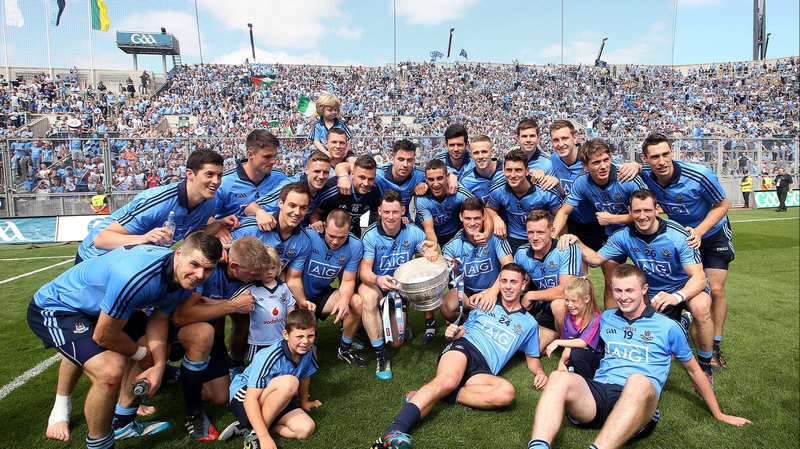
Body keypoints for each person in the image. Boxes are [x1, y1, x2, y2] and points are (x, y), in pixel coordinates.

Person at [27, 232, 223, 448]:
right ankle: (100, 444)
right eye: (194, 264)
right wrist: (142, 355)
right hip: (61, 307)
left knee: (153, 350)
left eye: (208, 269)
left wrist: (158, 365)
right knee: (110, 371)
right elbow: (104, 335)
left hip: (105, 306)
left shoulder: (184, 277)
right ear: (178, 254)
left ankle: (122, 423)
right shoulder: (138, 277)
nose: (199, 274)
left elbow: (158, 320)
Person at [526, 264, 750, 449]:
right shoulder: (606, 318)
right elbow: (582, 339)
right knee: (558, 377)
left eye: (629, 291)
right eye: (618, 291)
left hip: (639, 403)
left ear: (644, 290)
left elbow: (693, 370)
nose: (623, 297)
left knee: (639, 380)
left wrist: (719, 414)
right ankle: (538, 446)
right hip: (600, 394)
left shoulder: (667, 327)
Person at [370, 263, 548, 449]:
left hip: (484, 368)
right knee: (447, 381)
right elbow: (464, 331)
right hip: (466, 347)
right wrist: (453, 333)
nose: (508, 286)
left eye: (513, 282)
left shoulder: (529, 324)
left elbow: (532, 357)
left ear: (523, 285)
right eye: (504, 281)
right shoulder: (485, 304)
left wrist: (540, 372)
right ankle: (394, 430)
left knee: (506, 393)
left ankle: (438, 395)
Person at [560, 189, 717, 383]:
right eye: (637, 211)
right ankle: (682, 325)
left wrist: (676, 297)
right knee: (665, 354)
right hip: (654, 293)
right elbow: (595, 259)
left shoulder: (678, 235)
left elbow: (699, 278)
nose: (642, 216)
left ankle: (705, 367)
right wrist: (577, 242)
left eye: (647, 210)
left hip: (686, 287)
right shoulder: (623, 236)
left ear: (657, 209)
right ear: (630, 211)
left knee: (700, 307)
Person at [640, 133, 732, 372]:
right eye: (654, 157)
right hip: (682, 238)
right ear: (645, 159)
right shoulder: (645, 176)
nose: (661, 161)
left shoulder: (699, 174)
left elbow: (722, 204)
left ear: (672, 152)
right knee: (688, 284)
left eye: (665, 154)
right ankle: (686, 321)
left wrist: (700, 231)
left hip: (711, 235)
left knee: (716, 288)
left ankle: (715, 347)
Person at [169, 237, 267, 441]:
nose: (259, 277)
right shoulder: (208, 270)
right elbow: (181, 316)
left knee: (219, 396)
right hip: (171, 331)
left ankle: (175, 374)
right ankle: (191, 411)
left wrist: (217, 304)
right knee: (202, 333)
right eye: (253, 273)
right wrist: (232, 305)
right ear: (234, 265)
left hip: (208, 338)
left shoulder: (249, 273)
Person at [228, 182, 316, 373]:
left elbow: (293, 278)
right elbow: (225, 247)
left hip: (271, 286)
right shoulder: (254, 227)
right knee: (243, 326)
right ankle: (234, 364)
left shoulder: (303, 240)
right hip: (237, 285)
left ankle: (277, 363)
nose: (297, 212)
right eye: (292, 205)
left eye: (303, 207)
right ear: (280, 203)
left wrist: (301, 300)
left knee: (278, 321)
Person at [551, 138, 645, 308]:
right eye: (596, 162)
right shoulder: (582, 181)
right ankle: (610, 328)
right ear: (585, 166)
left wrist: (613, 219)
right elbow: (564, 211)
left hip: (641, 233)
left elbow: (647, 213)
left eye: (606, 160)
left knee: (647, 280)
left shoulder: (627, 178)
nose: (603, 166)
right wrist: (552, 237)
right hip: (613, 236)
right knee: (611, 283)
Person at [358, 191, 439, 380]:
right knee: (369, 300)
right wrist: (379, 280)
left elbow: (426, 254)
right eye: (386, 212)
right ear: (379, 211)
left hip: (398, 287)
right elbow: (365, 272)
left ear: (403, 210)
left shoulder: (413, 232)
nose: (390, 216)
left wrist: (431, 254)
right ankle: (381, 356)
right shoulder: (370, 235)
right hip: (375, 284)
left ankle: (402, 320)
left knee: (396, 343)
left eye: (395, 212)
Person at [229, 309, 321, 449]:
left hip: (276, 396)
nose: (305, 341)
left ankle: (249, 427)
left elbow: (305, 376)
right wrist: (264, 437)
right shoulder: (269, 356)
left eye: (310, 336)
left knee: (306, 428)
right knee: (290, 383)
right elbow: (250, 399)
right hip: (243, 396)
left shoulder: (308, 351)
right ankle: (256, 435)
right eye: (299, 336)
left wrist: (304, 402)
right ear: (286, 335)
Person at [301, 209, 366, 366]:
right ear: (323, 226)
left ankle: (344, 350)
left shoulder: (355, 245)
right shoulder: (309, 235)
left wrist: (344, 299)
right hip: (297, 295)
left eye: (341, 237)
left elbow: (348, 280)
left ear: (350, 230)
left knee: (355, 302)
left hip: (321, 294)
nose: (336, 241)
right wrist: (299, 300)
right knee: (308, 360)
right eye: (332, 236)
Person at [440, 198, 514, 324]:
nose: (472, 223)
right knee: (446, 307)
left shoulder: (495, 237)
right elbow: (450, 273)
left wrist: (492, 292)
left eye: (477, 218)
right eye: (468, 218)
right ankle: (464, 321)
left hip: (494, 288)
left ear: (484, 216)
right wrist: (452, 266)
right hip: (468, 290)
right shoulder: (452, 245)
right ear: (461, 217)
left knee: (497, 319)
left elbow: (510, 268)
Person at [486, 149, 563, 253]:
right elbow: (489, 208)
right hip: (515, 237)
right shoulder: (498, 190)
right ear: (503, 171)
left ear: (527, 171)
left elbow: (561, 214)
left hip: (542, 236)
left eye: (518, 170)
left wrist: (554, 236)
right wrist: (496, 218)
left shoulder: (545, 189)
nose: (513, 175)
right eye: (509, 170)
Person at [212, 130, 287, 232]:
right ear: (250, 154)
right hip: (234, 241)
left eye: (275, 156)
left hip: (271, 239)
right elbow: (206, 217)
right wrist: (219, 229)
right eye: (267, 156)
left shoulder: (280, 178)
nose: (273, 161)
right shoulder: (225, 182)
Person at [544, 276, 602, 379]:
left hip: (594, 359)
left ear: (587, 299)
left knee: (576, 354)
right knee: (560, 376)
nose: (570, 305)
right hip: (576, 358)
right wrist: (561, 362)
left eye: (574, 301)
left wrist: (556, 341)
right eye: (567, 300)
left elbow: (582, 342)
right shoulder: (568, 318)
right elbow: (568, 345)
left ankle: (588, 383)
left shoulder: (594, 318)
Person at [312, 154, 381, 238]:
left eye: (371, 179)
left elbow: (376, 215)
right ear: (352, 174)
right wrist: (315, 222)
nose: (366, 183)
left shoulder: (374, 192)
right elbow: (314, 211)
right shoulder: (333, 189)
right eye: (362, 177)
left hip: (352, 232)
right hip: (327, 233)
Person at [458, 135, 504, 204]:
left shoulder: (506, 172)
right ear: (471, 155)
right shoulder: (466, 181)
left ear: (492, 151)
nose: (480, 156)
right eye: (476, 153)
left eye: (484, 152)